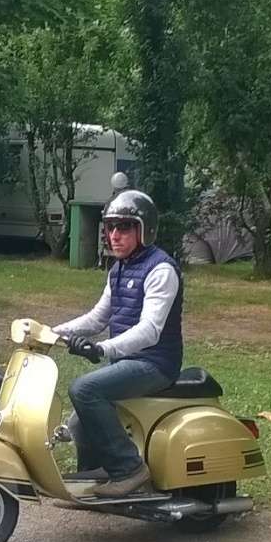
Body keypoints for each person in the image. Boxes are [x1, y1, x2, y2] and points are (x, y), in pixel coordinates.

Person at [54, 189, 183, 498]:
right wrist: (52, 331)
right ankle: (98, 473)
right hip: (129, 362)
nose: (114, 235)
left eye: (124, 227)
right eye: (110, 227)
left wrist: (102, 349)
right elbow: (98, 317)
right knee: (79, 421)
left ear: (144, 229)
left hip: (155, 363)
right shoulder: (119, 268)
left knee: (85, 389)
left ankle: (129, 470)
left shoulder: (161, 270)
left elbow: (150, 331)